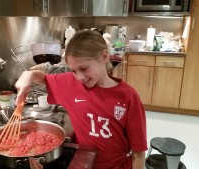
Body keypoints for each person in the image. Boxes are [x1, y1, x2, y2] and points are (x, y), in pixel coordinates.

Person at [15, 30, 147, 169]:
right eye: (73, 70)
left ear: (104, 56)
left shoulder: (127, 96)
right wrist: (27, 75)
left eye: (84, 68)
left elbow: (138, 153)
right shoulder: (71, 83)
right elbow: (42, 78)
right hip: (83, 163)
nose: (79, 77)